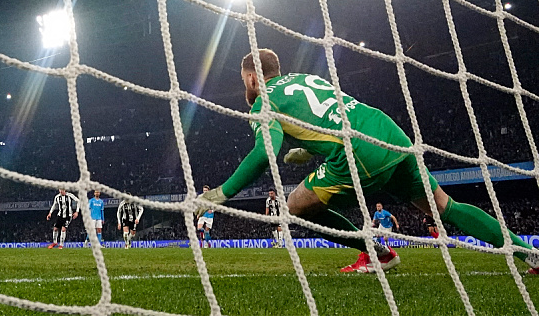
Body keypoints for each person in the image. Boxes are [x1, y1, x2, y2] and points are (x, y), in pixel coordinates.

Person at [196, 49, 539, 274]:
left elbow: (263, 152)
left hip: (357, 151)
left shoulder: (262, 102)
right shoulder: (303, 79)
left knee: (293, 207)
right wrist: (310, 149)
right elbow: (329, 118)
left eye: (245, 80)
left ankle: (379, 253)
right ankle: (530, 254)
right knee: (444, 206)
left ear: (253, 77)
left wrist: (223, 193)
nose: (247, 86)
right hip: (386, 131)